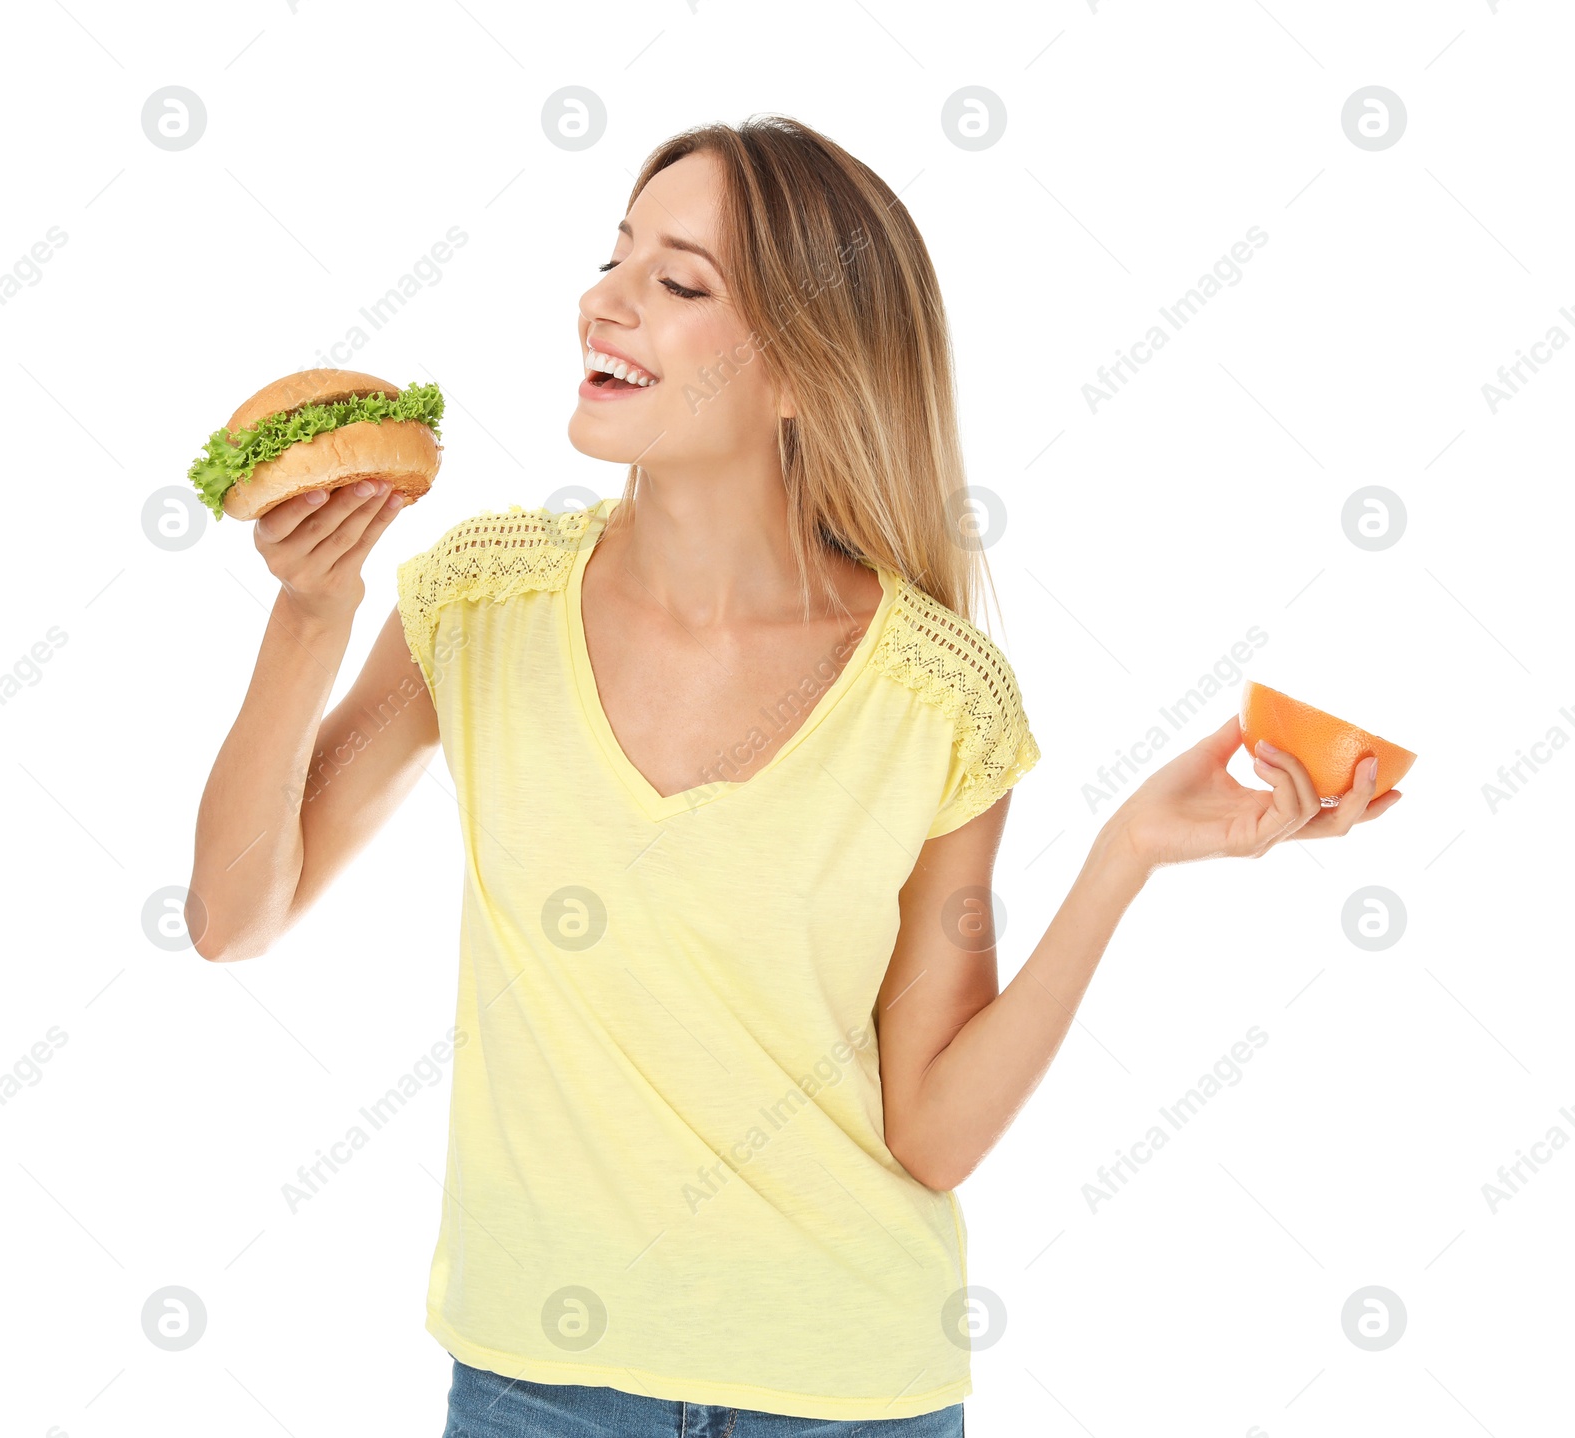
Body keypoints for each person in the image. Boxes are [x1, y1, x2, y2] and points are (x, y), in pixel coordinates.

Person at [186, 115, 1401, 1437]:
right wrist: (312, 615)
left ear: (800, 375)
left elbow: (929, 1130)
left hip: (846, 1397)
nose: (606, 300)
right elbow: (232, 916)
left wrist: (1125, 857)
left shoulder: (937, 696)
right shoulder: (480, 602)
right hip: (539, 1388)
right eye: (616, 256)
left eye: (680, 281)